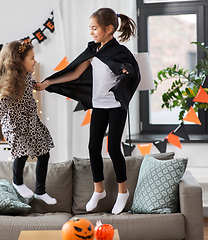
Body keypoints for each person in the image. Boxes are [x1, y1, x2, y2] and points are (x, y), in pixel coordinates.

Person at [37, 8, 140, 214]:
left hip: (116, 107)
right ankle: (98, 189)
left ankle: (122, 192)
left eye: (95, 28)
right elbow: (75, 72)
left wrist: (126, 71)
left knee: (112, 149)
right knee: (93, 147)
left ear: (109, 29)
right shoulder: (93, 51)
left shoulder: (120, 52)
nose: (92, 32)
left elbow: (131, 70)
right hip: (99, 106)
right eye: (90, 28)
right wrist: (48, 82)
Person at [0, 40, 57, 205]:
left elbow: (27, 85)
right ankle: (17, 182)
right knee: (21, 153)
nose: (35, 61)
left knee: (44, 154)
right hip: (14, 127)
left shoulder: (27, 76)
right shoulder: (10, 85)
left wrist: (34, 85)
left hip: (30, 123)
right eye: (31, 58)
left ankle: (40, 191)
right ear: (19, 62)